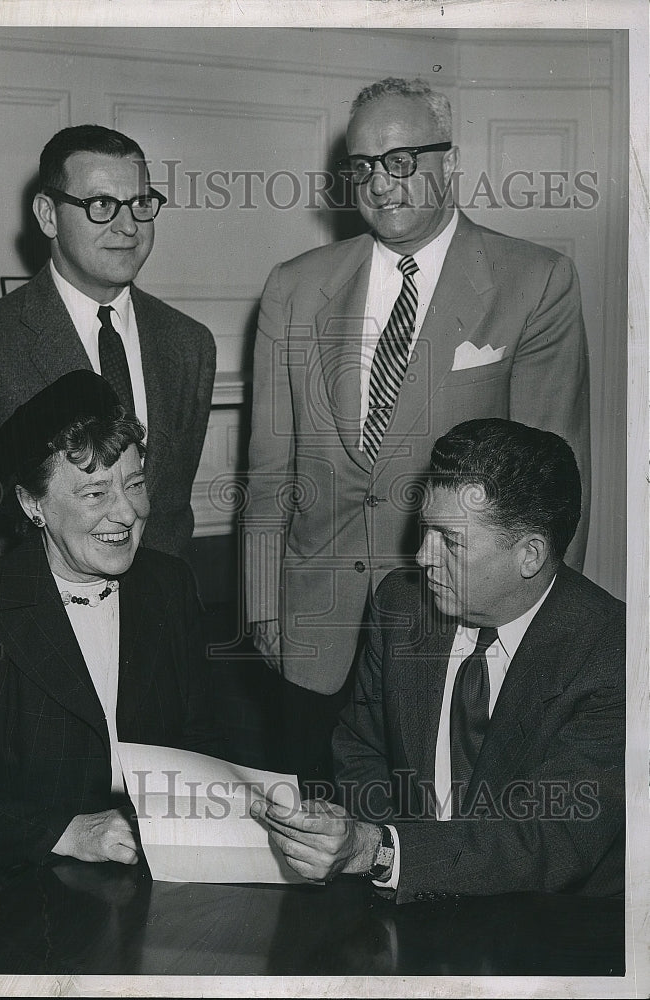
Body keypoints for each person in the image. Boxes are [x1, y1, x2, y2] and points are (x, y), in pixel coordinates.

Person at [244, 76, 591, 787]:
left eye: (401, 160)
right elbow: (269, 468)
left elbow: (551, 486)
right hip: (313, 630)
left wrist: (520, 635)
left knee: (434, 845)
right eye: (363, 165)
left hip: (456, 621)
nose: (380, 182)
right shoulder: (293, 285)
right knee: (308, 843)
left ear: (449, 163)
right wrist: (259, 605)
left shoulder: (535, 280)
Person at [0, 124, 216, 725]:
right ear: (47, 214)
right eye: (100, 205)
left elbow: (168, 506)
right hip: (25, 655)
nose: (128, 225)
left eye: (141, 203)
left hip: (150, 649)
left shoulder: (188, 344)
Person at [251, 418, 624, 902]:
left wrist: (381, 850)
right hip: (403, 897)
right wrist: (394, 859)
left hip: (547, 926)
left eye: (450, 541)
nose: (423, 557)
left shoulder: (614, 653)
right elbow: (361, 747)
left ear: (530, 554)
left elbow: (550, 838)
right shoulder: (402, 604)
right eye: (425, 530)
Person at [0, 370, 218, 925]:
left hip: (152, 879)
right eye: (95, 493)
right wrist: (71, 833)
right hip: (17, 892)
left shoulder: (169, 586)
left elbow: (202, 738)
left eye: (136, 484)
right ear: (33, 505)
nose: (126, 513)